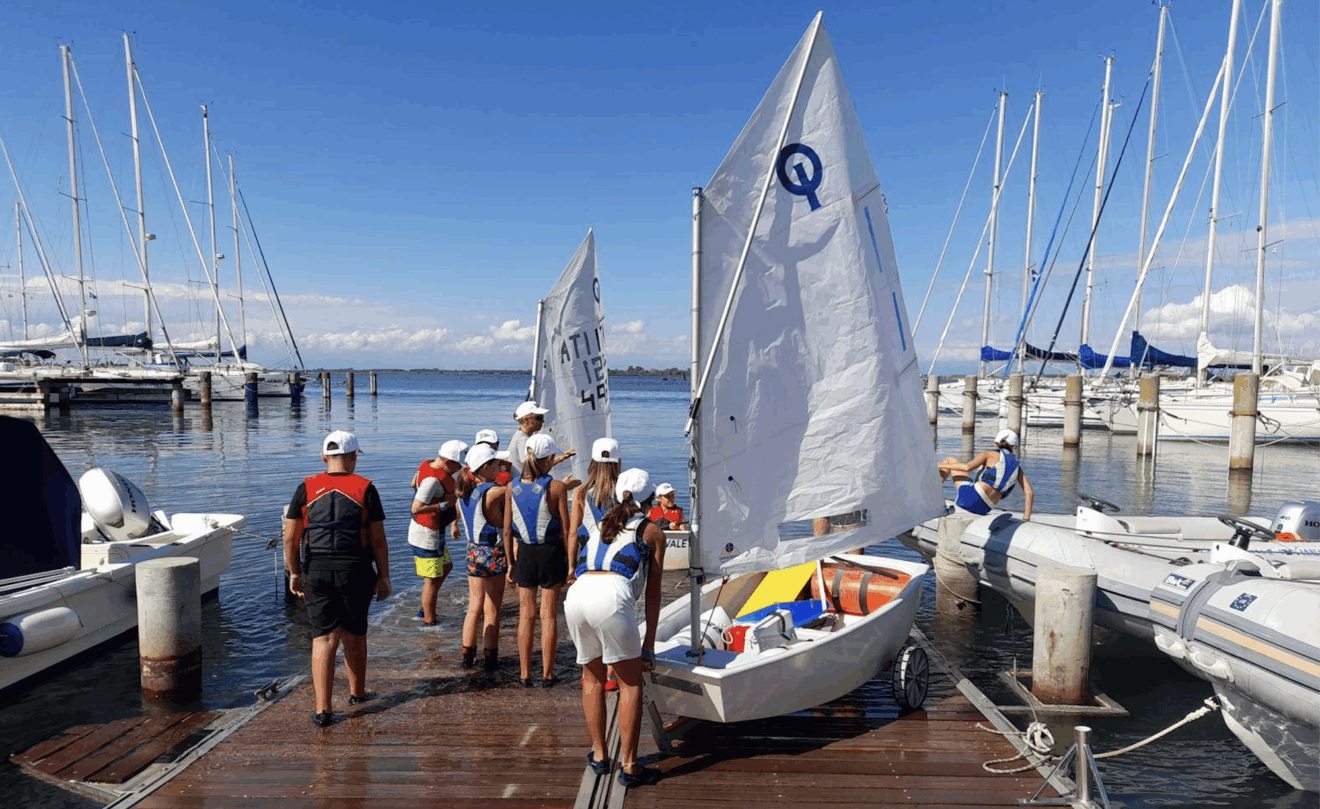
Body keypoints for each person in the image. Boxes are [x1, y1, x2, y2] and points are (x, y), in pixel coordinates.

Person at [565, 467, 666, 788]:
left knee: (591, 678)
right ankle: (630, 764)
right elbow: (652, 595)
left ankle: (598, 754)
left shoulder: (601, 524)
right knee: (630, 684)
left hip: (577, 594)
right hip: (611, 597)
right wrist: (648, 645)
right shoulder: (652, 531)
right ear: (650, 501)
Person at [283, 430, 390, 728]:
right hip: (355, 570)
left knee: (324, 638)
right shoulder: (366, 488)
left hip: (316, 569)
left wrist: (294, 572)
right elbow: (379, 539)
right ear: (354, 457)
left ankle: (323, 710)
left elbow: (291, 537)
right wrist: (384, 577)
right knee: (355, 635)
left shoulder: (306, 488)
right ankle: (357, 694)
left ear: (324, 458)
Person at [508, 433, 575, 687]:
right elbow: (567, 530)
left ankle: (524, 673)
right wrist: (571, 564)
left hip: (524, 553)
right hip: (551, 553)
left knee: (526, 616)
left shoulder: (511, 487)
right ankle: (548, 674)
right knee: (548, 617)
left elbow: (507, 530)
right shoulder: (557, 487)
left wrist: (511, 563)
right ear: (548, 459)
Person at [456, 443, 514, 672]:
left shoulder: (462, 491)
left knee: (474, 607)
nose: (501, 466)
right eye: (497, 463)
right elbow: (517, 491)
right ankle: (490, 658)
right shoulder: (495, 492)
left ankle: (467, 657)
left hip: (472, 551)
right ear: (486, 467)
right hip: (492, 552)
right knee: (492, 608)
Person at [408, 440, 466, 626]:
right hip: (425, 534)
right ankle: (429, 622)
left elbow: (412, 483)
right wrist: (445, 504)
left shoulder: (428, 463)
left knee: (446, 567)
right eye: (457, 466)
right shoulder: (433, 479)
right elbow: (416, 508)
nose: (458, 470)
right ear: (448, 462)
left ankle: (426, 608)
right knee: (431, 581)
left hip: (435, 532)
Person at [939, 428, 1034, 520]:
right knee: (971, 481)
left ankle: (931, 497)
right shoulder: (1017, 468)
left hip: (969, 499)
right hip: (985, 508)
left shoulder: (989, 454)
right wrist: (1026, 519)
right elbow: (1029, 492)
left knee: (950, 461)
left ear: (996, 443)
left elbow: (966, 467)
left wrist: (936, 464)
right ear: (1014, 447)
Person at [506, 400, 549, 479]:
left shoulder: (520, 435)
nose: (542, 421)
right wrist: (556, 460)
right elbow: (530, 467)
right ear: (526, 419)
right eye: (539, 418)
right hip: (523, 484)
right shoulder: (523, 439)